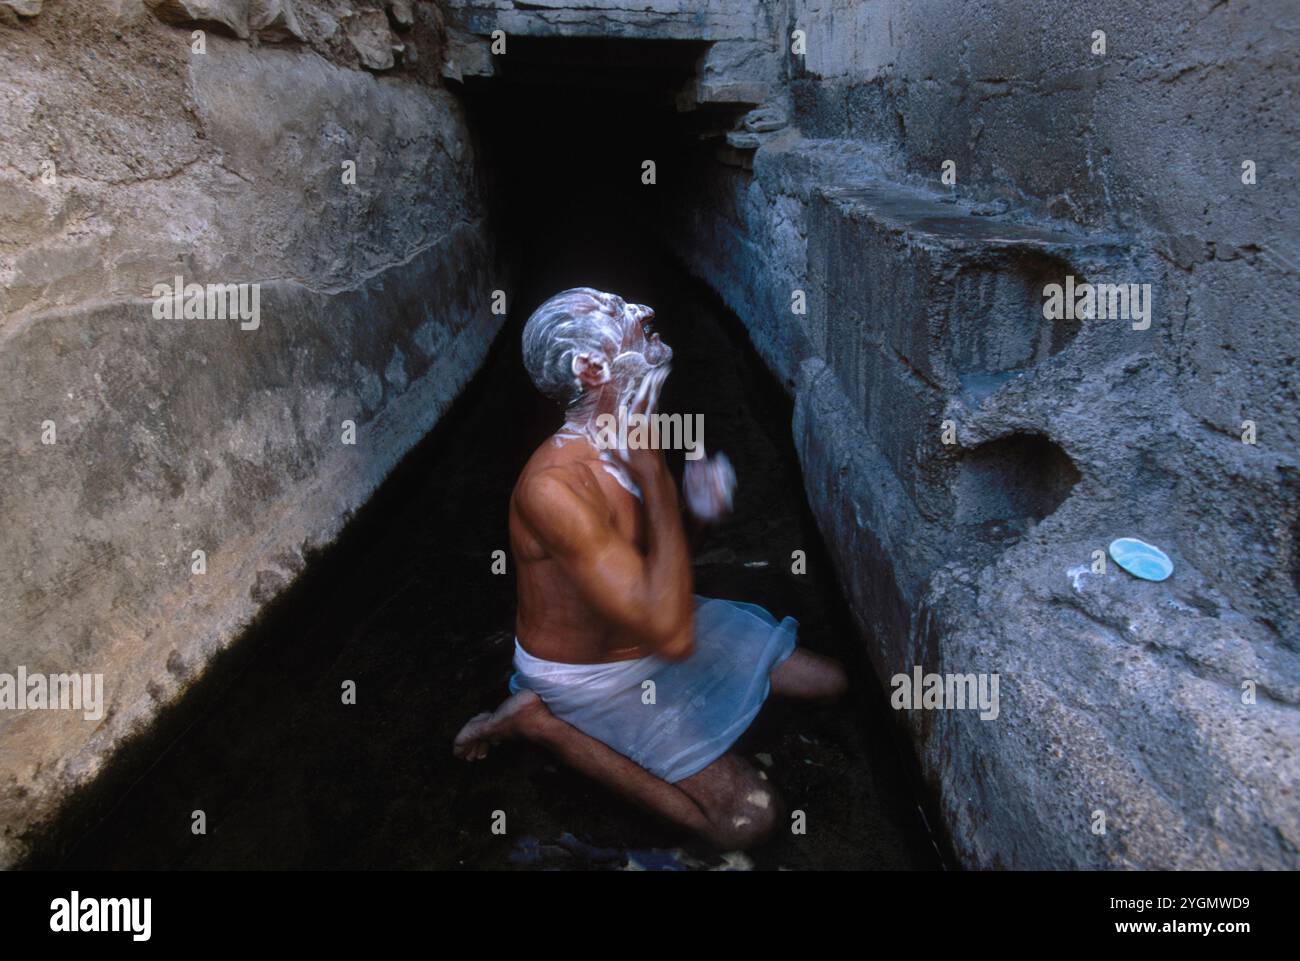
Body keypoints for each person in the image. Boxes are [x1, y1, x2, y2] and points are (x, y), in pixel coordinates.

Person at [453, 287, 847, 849]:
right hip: (593, 676)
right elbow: (671, 632)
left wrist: (702, 517)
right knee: (747, 821)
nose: (642, 310)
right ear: (590, 368)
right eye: (617, 314)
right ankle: (535, 723)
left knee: (832, 683)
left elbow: (663, 569)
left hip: (650, 619)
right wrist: (659, 477)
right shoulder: (554, 489)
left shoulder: (630, 434)